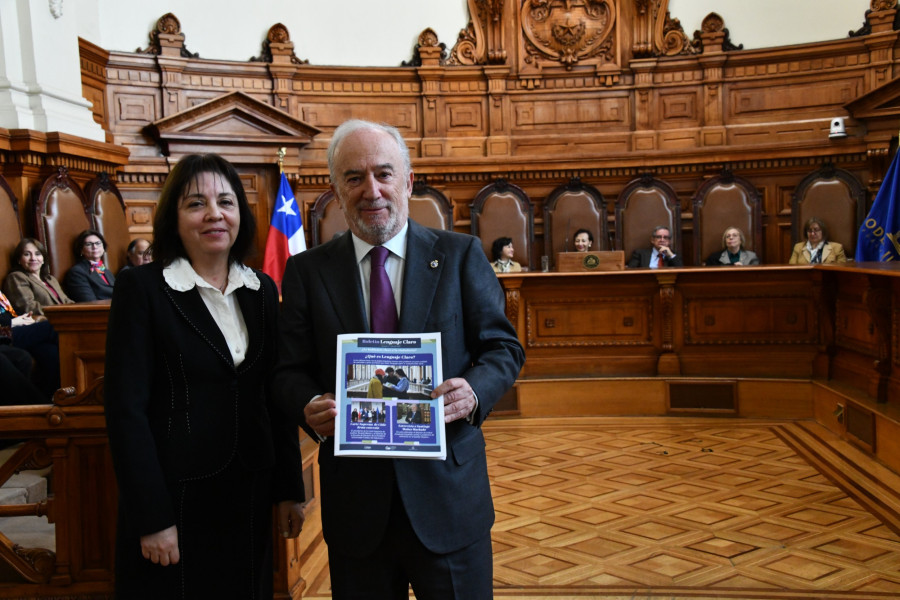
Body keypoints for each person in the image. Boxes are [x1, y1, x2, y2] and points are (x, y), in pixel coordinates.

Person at [272, 119, 525, 599]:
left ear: (408, 182)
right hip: (358, 509)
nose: (372, 190)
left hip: (449, 499)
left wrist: (473, 391)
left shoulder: (460, 255)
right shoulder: (307, 271)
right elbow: (287, 371)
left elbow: (503, 348)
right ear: (336, 189)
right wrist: (308, 403)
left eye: (384, 174)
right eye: (354, 177)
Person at [103, 153, 305, 599]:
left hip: (249, 491)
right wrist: (152, 517)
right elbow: (125, 412)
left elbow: (275, 397)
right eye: (196, 203)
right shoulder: (142, 290)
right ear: (173, 218)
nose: (214, 213)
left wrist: (290, 489)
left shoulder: (262, 290)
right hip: (175, 498)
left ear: (240, 215)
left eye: (226, 202)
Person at [0, 289, 60, 400]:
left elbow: (9, 312)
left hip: (14, 327)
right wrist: (13, 322)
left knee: (50, 352)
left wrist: (24, 318)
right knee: (52, 327)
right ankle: (41, 405)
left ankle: (55, 398)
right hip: (4, 331)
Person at [2, 238, 74, 316]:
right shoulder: (16, 277)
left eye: (37, 254)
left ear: (43, 259)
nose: (33, 258)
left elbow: (66, 301)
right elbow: (29, 307)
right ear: (19, 260)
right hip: (47, 322)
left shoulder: (50, 279)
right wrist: (62, 313)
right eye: (27, 254)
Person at [64, 229, 116, 301]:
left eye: (98, 243)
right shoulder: (77, 272)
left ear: (103, 247)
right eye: (89, 244)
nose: (95, 247)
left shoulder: (106, 270)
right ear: (81, 250)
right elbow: (89, 302)